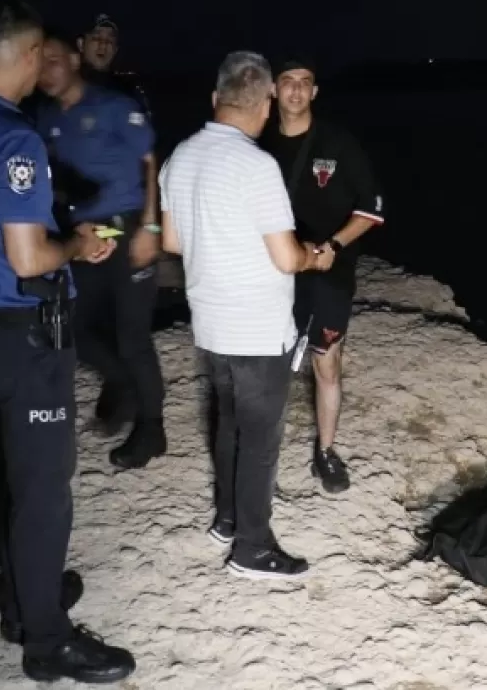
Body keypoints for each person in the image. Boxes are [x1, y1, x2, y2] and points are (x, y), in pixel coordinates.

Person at [0, 0, 134, 683]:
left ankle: (27, 596)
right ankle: (45, 641)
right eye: (41, 56)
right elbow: (27, 259)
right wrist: (76, 243)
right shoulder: (14, 139)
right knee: (46, 492)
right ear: (24, 57)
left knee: (19, 479)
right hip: (27, 336)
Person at [160, 51, 324, 579]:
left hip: (210, 322)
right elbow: (286, 257)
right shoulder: (257, 166)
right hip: (257, 328)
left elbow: (172, 241)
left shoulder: (181, 156)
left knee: (229, 422)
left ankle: (228, 519)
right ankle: (253, 548)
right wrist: (312, 256)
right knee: (260, 439)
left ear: (216, 98)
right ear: (266, 103)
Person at [35, 31, 166, 469]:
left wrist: (150, 226)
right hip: (84, 235)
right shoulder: (46, 118)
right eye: (39, 62)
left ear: (74, 59)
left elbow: (150, 161)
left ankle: (152, 429)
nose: (45, 70)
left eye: (54, 60)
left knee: (132, 337)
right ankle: (122, 382)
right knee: (73, 326)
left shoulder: (113, 105)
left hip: (127, 229)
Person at [259, 58, 385, 494]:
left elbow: (371, 208)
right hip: (275, 274)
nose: (296, 90)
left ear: (314, 92)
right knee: (267, 366)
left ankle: (326, 452)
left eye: (305, 82)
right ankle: (262, 455)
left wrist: (335, 245)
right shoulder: (257, 142)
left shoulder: (338, 142)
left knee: (326, 363)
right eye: (287, 81)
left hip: (330, 272)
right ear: (273, 90)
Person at [78, 13, 151, 116]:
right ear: (81, 44)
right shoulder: (65, 84)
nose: (103, 44)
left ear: (115, 50)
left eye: (110, 40)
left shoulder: (128, 91)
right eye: (96, 38)